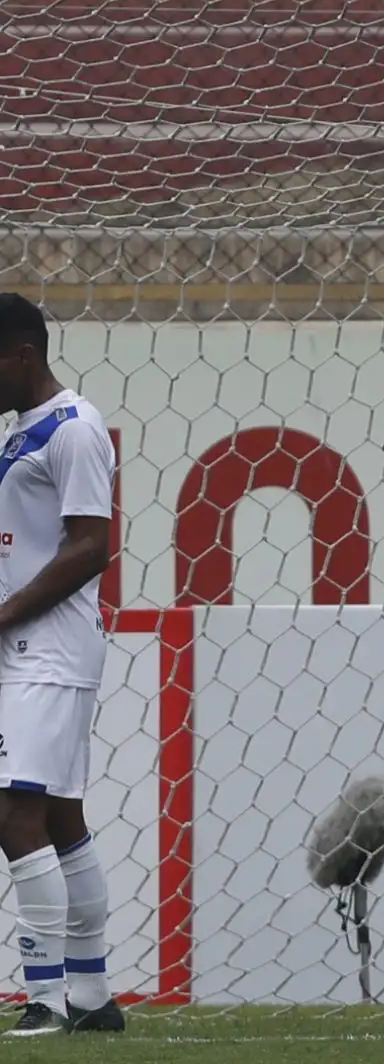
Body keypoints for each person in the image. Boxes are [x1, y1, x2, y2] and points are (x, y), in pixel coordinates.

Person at [0, 294, 124, 1035]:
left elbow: (88, 546)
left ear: (20, 354)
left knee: (14, 814)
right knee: (61, 818)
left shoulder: (75, 429)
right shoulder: (23, 433)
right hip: (25, 649)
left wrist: (5, 615)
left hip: (47, 650)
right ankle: (90, 996)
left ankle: (43, 998)